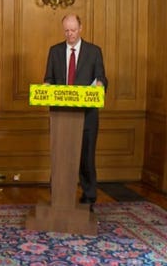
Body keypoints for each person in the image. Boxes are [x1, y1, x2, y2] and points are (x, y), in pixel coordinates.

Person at [43, 14, 108, 210]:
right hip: (61, 115)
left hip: (87, 114)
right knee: (61, 156)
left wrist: (100, 84)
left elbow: (102, 77)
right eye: (66, 31)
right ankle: (59, 196)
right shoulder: (54, 51)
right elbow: (48, 78)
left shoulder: (94, 51)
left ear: (81, 28)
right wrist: (46, 86)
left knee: (86, 156)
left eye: (73, 30)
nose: (69, 34)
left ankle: (88, 197)